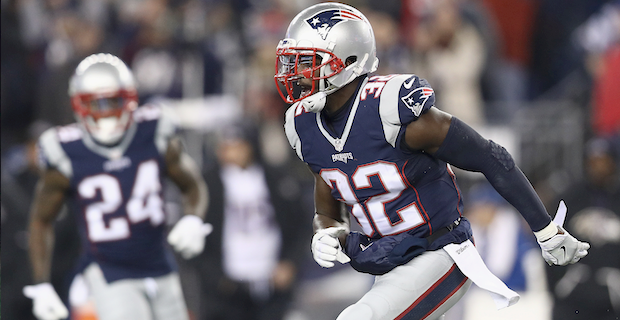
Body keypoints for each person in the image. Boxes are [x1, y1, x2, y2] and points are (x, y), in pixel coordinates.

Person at [274, 3, 590, 320]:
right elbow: (328, 201)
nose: (294, 74)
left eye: (306, 63)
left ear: (348, 60)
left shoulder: (387, 109)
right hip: (385, 261)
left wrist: (545, 229)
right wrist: (326, 232)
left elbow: (490, 157)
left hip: (439, 252)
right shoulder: (304, 125)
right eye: (291, 63)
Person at [23, 53, 211, 320]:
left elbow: (192, 185)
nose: (106, 112)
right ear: (79, 104)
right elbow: (41, 220)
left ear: (130, 97)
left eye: (112, 101)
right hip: (109, 271)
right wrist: (41, 284)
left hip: (161, 263)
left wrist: (193, 219)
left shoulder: (153, 131)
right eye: (95, 104)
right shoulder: (66, 151)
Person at [197, 121, 309, 320]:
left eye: (237, 146)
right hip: (227, 289)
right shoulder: (207, 183)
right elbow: (195, 233)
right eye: (225, 146)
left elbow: (300, 223)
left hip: (271, 284)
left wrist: (290, 262)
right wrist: (214, 277)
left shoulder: (277, 178)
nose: (231, 153)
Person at [547, 137, 620, 320]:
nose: (598, 167)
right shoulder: (569, 198)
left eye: (603, 161)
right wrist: (559, 285)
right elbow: (549, 241)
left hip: (613, 299)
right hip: (572, 297)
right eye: (593, 161)